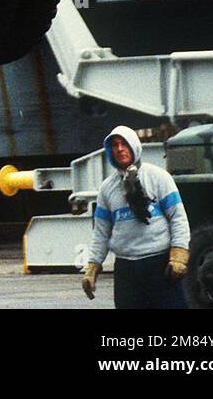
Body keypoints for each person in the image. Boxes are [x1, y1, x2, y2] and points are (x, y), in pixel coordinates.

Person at [83, 126, 190, 308]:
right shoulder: (107, 189)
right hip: (127, 270)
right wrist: (92, 267)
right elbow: (101, 233)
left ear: (134, 146)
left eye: (124, 143)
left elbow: (178, 218)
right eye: (115, 145)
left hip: (159, 265)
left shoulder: (158, 177)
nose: (120, 149)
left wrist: (179, 254)